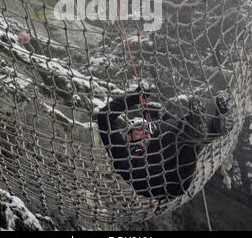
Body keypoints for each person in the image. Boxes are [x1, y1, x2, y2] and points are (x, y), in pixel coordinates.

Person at [97, 86, 232, 201]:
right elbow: (104, 116)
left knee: (190, 142)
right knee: (167, 131)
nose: (145, 132)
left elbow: (171, 130)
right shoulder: (121, 151)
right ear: (127, 137)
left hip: (177, 180)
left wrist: (159, 115)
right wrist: (132, 99)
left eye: (147, 129)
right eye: (139, 129)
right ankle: (202, 127)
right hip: (147, 179)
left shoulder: (160, 144)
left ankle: (216, 127)